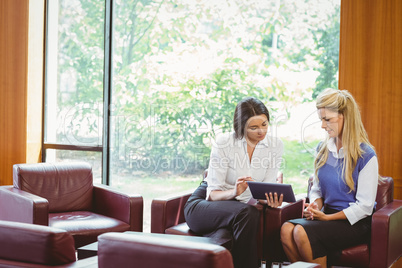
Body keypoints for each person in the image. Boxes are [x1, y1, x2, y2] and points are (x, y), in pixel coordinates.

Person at [280, 89, 379, 267]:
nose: (323, 126)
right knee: (286, 229)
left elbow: (365, 207)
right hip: (327, 215)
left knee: (301, 232)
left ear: (345, 117)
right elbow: (317, 188)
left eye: (328, 120)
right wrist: (316, 205)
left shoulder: (366, 155)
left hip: (354, 223)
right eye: (321, 120)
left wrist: (326, 218)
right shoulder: (323, 149)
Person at [184, 97, 284, 268]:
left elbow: (263, 190)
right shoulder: (225, 143)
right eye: (254, 127)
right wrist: (235, 192)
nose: (261, 131)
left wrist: (270, 199)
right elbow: (212, 194)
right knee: (248, 213)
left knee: (227, 235)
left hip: (237, 213)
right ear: (241, 127)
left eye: (264, 124)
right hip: (203, 205)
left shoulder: (275, 145)